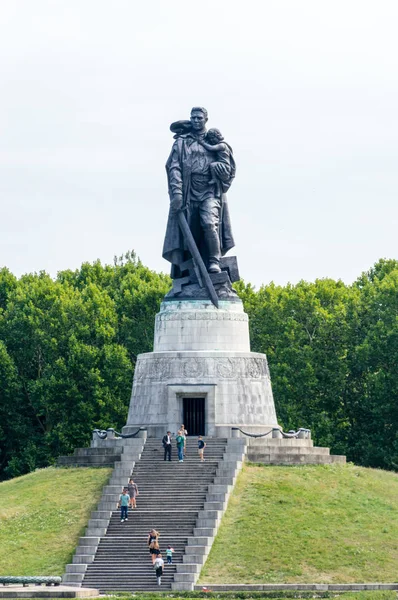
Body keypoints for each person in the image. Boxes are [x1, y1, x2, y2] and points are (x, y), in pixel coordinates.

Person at [163, 107, 236, 277]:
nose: (196, 121)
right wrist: (177, 193)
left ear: (206, 119)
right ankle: (192, 269)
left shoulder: (214, 140)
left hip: (210, 191)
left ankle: (214, 261)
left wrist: (220, 170)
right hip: (188, 192)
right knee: (190, 232)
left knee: (210, 223)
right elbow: (173, 167)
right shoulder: (181, 141)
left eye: (199, 118)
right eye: (193, 118)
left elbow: (229, 169)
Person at [198, 128, 233, 198]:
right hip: (221, 164)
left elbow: (211, 148)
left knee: (212, 165)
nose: (211, 140)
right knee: (217, 181)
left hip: (224, 165)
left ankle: (214, 179)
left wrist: (202, 143)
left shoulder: (222, 145)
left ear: (217, 136)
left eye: (212, 138)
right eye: (210, 139)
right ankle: (217, 191)